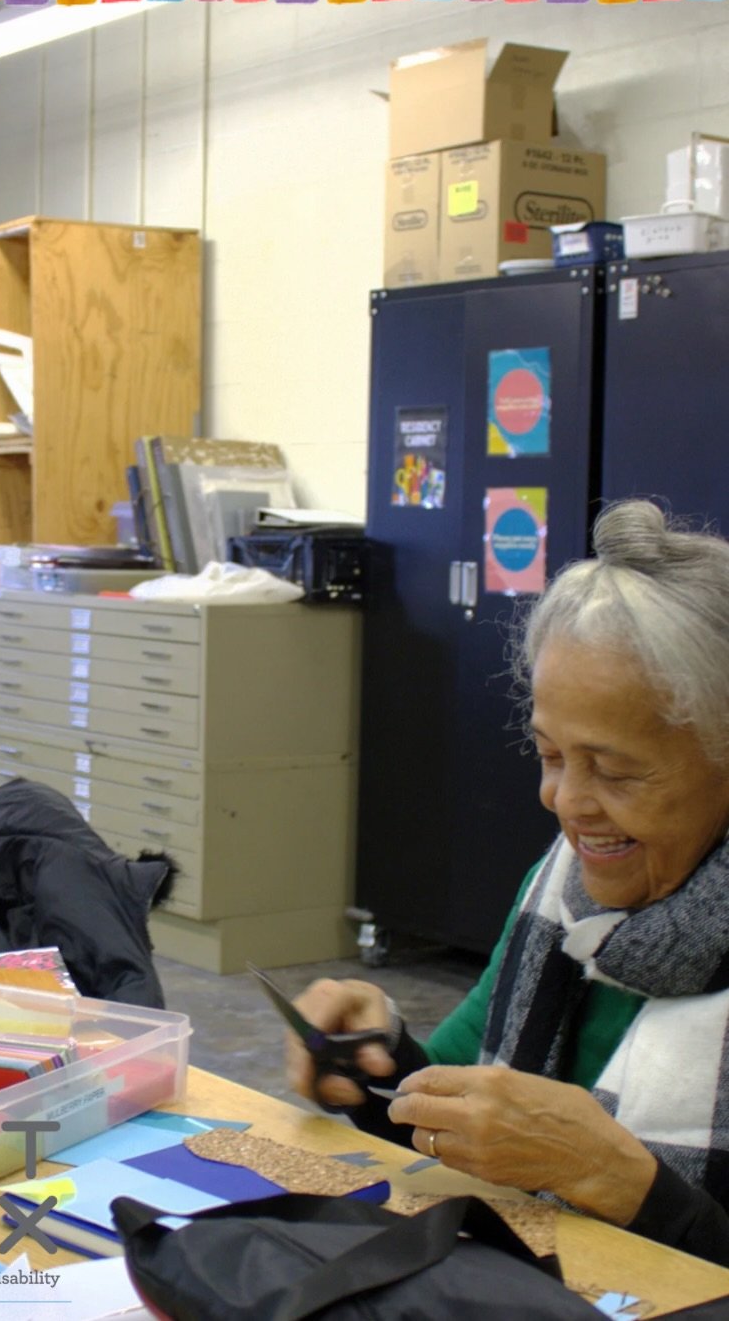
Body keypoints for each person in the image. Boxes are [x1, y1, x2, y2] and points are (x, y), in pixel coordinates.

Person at [288, 500, 729, 1266]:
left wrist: (623, 1181)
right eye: (551, 755)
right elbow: (459, 1110)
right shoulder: (561, 894)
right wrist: (376, 1058)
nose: (566, 803)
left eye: (617, 771)